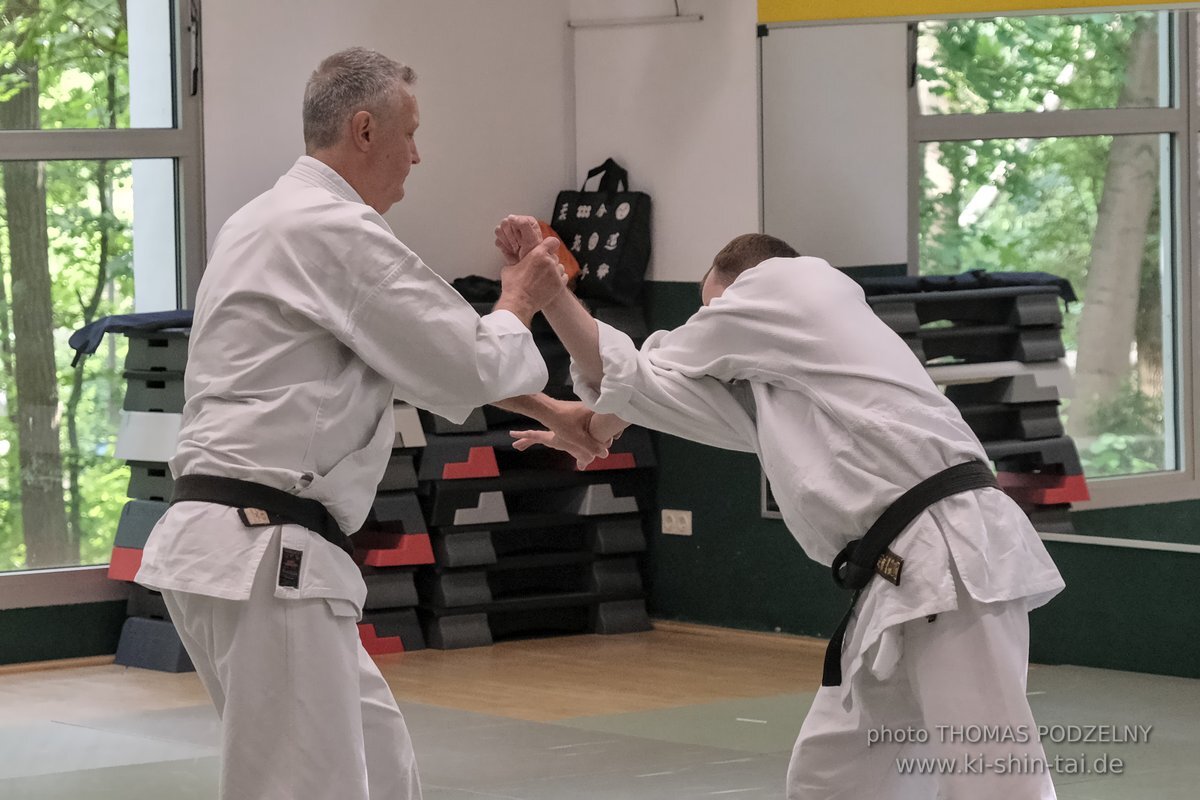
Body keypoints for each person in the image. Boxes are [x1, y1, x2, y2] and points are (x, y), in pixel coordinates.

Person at [135, 49, 604, 800]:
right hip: (268, 554)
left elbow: (410, 354)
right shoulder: (335, 230)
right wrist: (519, 296)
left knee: (382, 771)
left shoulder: (262, 220)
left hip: (232, 545)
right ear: (362, 129)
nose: (417, 155)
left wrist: (550, 412)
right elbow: (468, 364)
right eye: (409, 133)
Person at [501, 218, 1066, 800]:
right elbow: (637, 382)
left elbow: (658, 362)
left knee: (995, 777)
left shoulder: (791, 283)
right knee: (833, 777)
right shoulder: (788, 381)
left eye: (708, 308)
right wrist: (584, 421)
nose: (708, 324)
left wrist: (549, 293)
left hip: (951, 554)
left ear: (734, 284)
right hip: (899, 577)